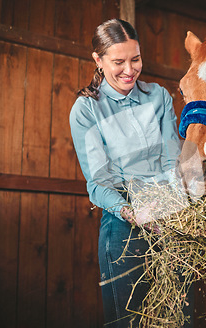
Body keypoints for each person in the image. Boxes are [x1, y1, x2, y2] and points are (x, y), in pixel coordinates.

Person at [69, 19, 182, 327]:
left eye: (135, 59)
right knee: (129, 321)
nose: (129, 70)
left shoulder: (158, 96)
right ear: (98, 60)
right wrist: (133, 213)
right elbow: (98, 183)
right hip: (124, 222)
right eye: (118, 62)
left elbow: (173, 159)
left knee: (181, 318)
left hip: (171, 216)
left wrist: (178, 206)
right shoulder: (87, 110)